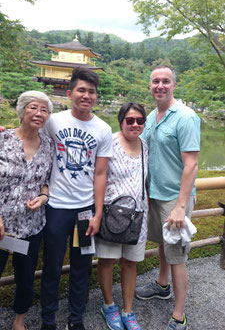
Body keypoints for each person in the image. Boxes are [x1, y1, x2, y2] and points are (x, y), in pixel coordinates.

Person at [40, 67, 113, 330]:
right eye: (81, 90)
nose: (86, 95)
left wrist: (98, 213)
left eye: (91, 92)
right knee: (52, 265)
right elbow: (29, 138)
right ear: (70, 92)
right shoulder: (53, 121)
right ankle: (48, 319)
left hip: (85, 210)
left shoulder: (103, 129)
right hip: (56, 208)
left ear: (96, 96)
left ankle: (76, 319)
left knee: (82, 266)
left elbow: (101, 173)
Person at [135, 65, 200, 330]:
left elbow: (192, 164)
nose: (159, 85)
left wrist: (181, 206)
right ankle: (162, 285)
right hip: (155, 194)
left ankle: (179, 314)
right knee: (164, 244)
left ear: (174, 84)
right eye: (155, 81)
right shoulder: (151, 116)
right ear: (149, 86)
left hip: (176, 198)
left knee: (177, 255)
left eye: (165, 81)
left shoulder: (185, 117)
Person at [0, 90, 54, 330]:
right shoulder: (3, 139)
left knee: (25, 278)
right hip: (2, 226)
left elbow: (46, 180)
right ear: (22, 111)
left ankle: (19, 319)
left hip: (32, 226)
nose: (39, 113)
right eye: (33, 107)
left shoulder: (49, 145)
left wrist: (43, 197)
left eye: (44, 110)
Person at [96, 102, 149, 330]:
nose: (135, 124)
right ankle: (109, 306)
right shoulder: (110, 142)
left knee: (130, 263)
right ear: (121, 121)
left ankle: (128, 310)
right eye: (130, 120)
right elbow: (97, 175)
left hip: (138, 217)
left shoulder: (145, 145)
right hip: (112, 214)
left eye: (139, 120)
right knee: (107, 261)